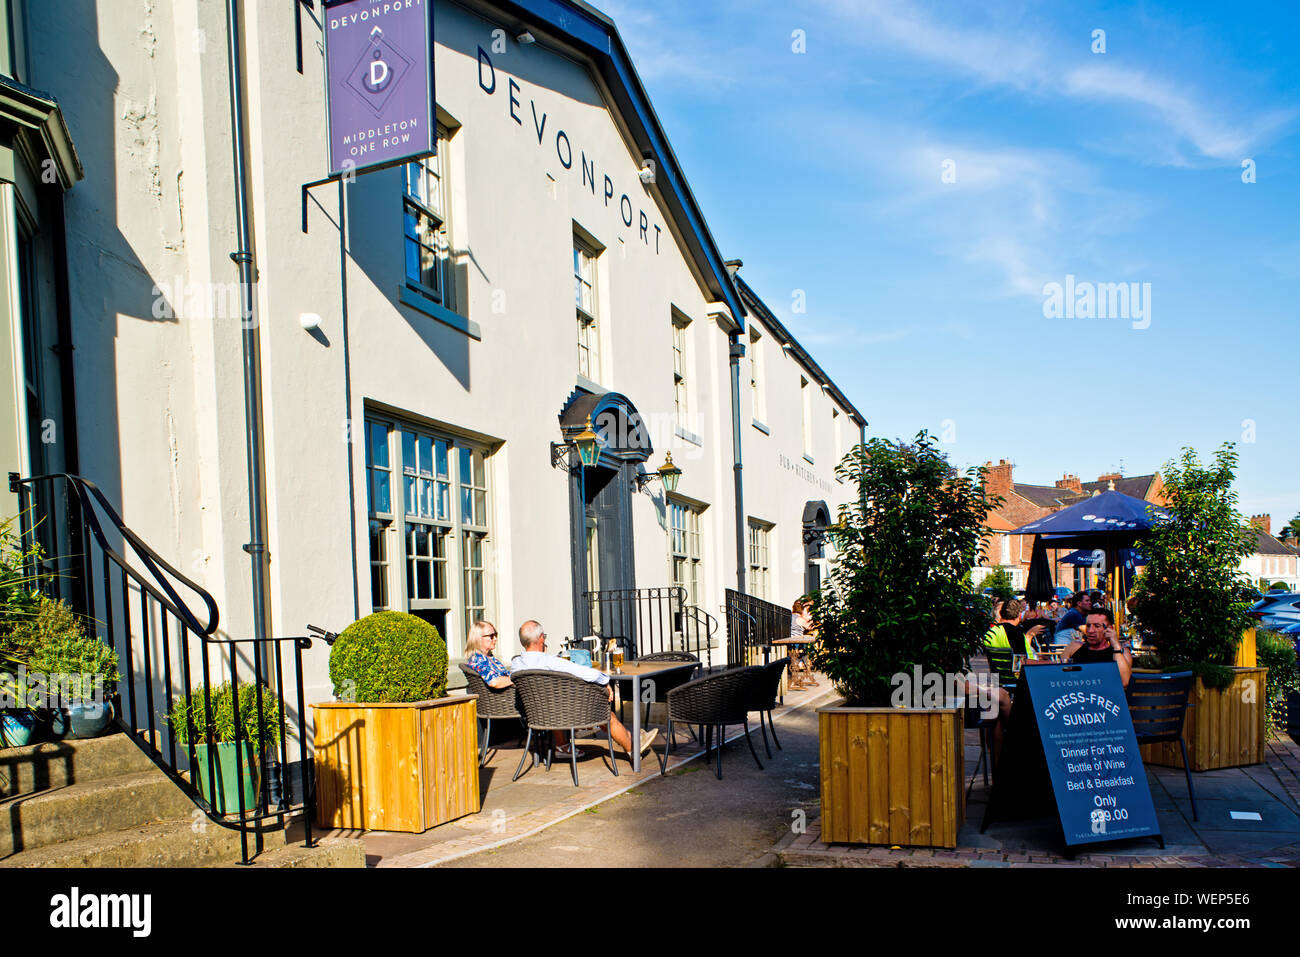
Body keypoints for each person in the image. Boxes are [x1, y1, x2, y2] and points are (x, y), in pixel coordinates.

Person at [510, 620, 657, 757]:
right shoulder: (552, 662)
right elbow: (586, 673)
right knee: (606, 715)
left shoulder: (516, 665)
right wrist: (605, 682)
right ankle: (632, 747)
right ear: (541, 638)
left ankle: (562, 747)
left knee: (552, 701)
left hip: (538, 715)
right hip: (569, 715)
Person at [1062, 608, 1132, 688]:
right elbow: (1060, 676)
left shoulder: (1121, 652)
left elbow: (1124, 681)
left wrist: (1116, 646)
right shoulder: (1074, 647)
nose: (1090, 630)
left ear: (1109, 629)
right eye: (1088, 626)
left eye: (1097, 626)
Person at [464, 620, 512, 689]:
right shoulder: (477, 660)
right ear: (478, 638)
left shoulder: (490, 657)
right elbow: (494, 682)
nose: (495, 639)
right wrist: (516, 679)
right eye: (491, 636)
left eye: (496, 635)